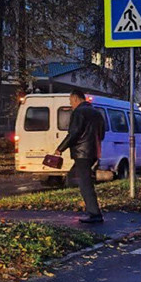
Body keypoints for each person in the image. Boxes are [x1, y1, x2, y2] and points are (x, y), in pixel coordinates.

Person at [54, 89, 106, 223]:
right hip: (94, 151)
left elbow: (74, 132)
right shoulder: (97, 113)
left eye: (71, 101)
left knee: (85, 183)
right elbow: (102, 133)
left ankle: (94, 213)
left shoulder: (78, 112)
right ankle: (92, 210)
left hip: (82, 153)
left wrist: (60, 149)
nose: (71, 104)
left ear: (76, 99)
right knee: (79, 178)